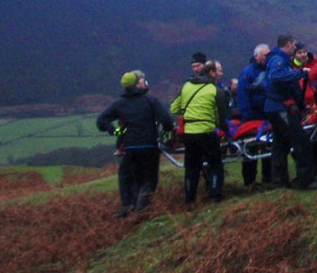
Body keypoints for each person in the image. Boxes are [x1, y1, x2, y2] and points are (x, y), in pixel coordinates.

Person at [96, 70, 173, 217]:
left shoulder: (120, 104)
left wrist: (115, 131)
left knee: (135, 178)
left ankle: (129, 207)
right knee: (149, 180)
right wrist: (167, 133)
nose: (144, 83)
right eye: (142, 81)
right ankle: (141, 210)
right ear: (137, 84)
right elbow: (167, 120)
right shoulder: (151, 101)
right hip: (149, 146)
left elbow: (101, 121)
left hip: (131, 148)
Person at [264, 34, 317, 190]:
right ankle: (306, 181)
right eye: (294, 45)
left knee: (280, 145)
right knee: (302, 143)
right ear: (289, 44)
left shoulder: (278, 60)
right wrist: (300, 73)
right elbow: (276, 77)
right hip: (279, 107)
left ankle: (279, 182)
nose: (296, 48)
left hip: (274, 107)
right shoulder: (279, 60)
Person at [171, 60, 228, 204]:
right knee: (215, 165)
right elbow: (221, 116)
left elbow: (174, 108)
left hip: (189, 134)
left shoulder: (187, 86)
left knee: (191, 168)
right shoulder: (215, 90)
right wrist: (223, 130)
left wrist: (188, 112)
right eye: (218, 71)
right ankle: (216, 196)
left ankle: (189, 200)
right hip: (207, 132)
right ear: (211, 73)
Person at [237, 43, 272, 187]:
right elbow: (242, 95)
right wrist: (247, 116)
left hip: (268, 115)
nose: (266, 58)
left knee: (269, 147)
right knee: (250, 148)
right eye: (264, 55)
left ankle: (268, 178)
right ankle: (249, 181)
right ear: (256, 56)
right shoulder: (248, 73)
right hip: (253, 117)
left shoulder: (271, 70)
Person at [291, 43, 317, 169]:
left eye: (304, 52)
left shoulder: (316, 67)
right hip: (298, 108)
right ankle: (305, 168)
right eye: (299, 52)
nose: (303, 54)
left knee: (313, 139)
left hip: (314, 107)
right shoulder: (290, 69)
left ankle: (312, 169)